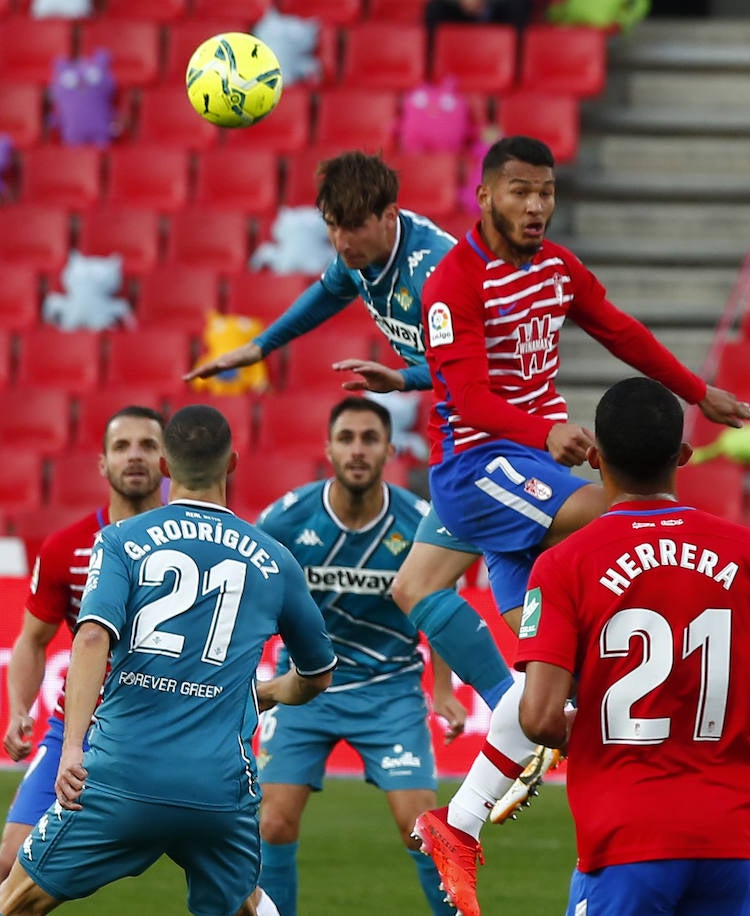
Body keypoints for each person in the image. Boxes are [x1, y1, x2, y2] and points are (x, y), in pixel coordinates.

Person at [411, 135, 750, 915]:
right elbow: (467, 396)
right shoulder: (453, 284)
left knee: (547, 677)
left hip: (533, 464)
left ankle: (459, 822)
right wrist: (541, 434)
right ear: (483, 196)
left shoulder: (555, 268)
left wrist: (697, 389)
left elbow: (616, 328)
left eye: (545, 191)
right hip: (482, 468)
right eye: (519, 192)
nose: (536, 207)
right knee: (617, 520)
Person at [183, 151, 515, 746]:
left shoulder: (436, 272)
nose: (340, 240)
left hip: (502, 429)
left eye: (352, 226)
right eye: (332, 226)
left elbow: (476, 372)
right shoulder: (361, 260)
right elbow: (329, 293)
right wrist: (259, 348)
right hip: (462, 435)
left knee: (474, 588)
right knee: (423, 588)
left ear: (390, 215)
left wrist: (402, 377)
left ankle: (533, 706)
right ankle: (524, 708)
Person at [517, 377, 750, 915]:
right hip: (728, 841)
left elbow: (538, 717)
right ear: (685, 455)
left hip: (624, 835)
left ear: (595, 459)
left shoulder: (563, 565)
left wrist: (598, 732)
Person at [0, 404, 338, 916]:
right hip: (219, 785)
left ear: (166, 467)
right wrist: (265, 693)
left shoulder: (120, 541)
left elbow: (90, 641)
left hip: (122, 775)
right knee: (246, 905)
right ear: (233, 463)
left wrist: (72, 751)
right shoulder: (275, 559)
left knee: (14, 902)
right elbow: (317, 674)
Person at [254, 397, 465, 916]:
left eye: (369, 438)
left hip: (389, 690)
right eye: (346, 437)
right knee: (272, 822)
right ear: (327, 448)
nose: (357, 449)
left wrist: (442, 690)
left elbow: (443, 606)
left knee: (422, 828)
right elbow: (250, 603)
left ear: (390, 449)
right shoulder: (284, 520)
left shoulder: (419, 523)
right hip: (304, 689)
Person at [0, 405, 166, 908]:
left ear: (167, 461)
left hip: (169, 728)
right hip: (79, 728)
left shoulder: (196, 544)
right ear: (103, 464)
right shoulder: (66, 547)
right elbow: (32, 640)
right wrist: (19, 708)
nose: (135, 457)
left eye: (148, 446)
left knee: (234, 884)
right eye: (122, 446)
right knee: (10, 862)